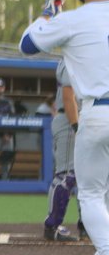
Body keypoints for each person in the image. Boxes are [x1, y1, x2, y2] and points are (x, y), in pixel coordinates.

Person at [20, 0, 109, 255]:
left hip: (97, 112)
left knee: (91, 194)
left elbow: (27, 45)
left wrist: (48, 13)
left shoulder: (71, 18)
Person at [41, 62, 80, 242]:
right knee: (66, 175)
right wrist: (76, 126)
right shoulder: (70, 57)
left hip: (86, 118)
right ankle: (52, 226)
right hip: (69, 119)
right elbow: (67, 95)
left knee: (93, 179)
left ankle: (89, 226)